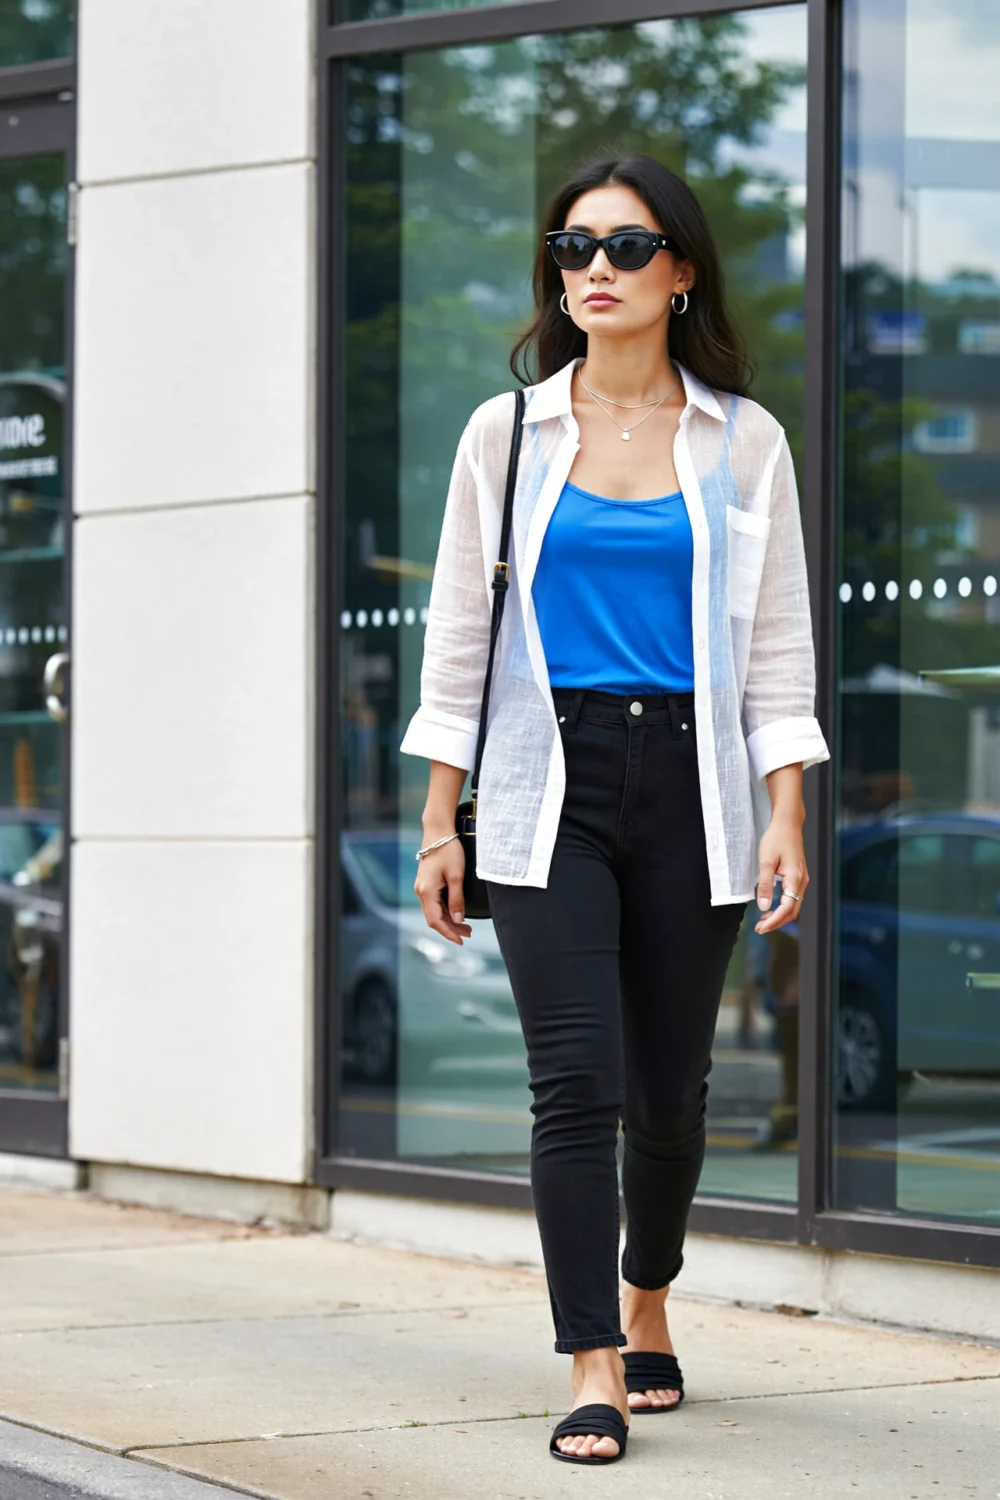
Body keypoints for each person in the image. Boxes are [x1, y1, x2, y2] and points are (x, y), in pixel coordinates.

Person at [401, 153, 830, 1466]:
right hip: (551, 784)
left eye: (629, 249)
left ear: (682, 273)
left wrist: (785, 813)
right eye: (575, 248)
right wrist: (440, 817)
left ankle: (650, 1294)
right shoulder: (506, 435)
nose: (597, 269)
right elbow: (459, 636)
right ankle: (589, 1355)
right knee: (573, 1084)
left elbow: (775, 654)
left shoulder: (742, 441)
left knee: (673, 1094)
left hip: (694, 782)